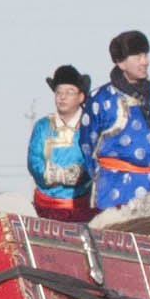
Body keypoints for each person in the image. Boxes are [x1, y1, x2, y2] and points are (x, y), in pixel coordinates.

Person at [78, 31, 150, 215]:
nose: (145, 61)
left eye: (146, 55)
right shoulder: (100, 100)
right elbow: (86, 145)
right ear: (121, 62)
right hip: (114, 189)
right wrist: (101, 175)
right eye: (138, 56)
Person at [27, 68, 93, 221]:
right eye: (59, 92)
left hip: (79, 206)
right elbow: (33, 159)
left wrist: (80, 172)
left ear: (81, 97)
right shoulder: (42, 126)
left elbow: (94, 159)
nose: (62, 97)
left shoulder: (89, 127)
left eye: (69, 92)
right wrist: (48, 173)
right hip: (43, 207)